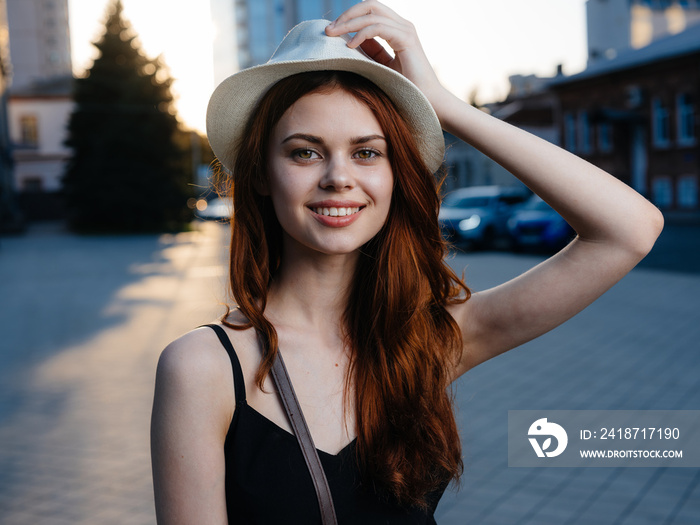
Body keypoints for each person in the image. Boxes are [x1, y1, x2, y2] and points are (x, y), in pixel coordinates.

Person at [150, 2, 663, 523]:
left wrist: (442, 104)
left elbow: (630, 231)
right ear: (261, 175)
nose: (338, 177)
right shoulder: (203, 368)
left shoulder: (427, 341)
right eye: (305, 152)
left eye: (367, 152)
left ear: (396, 176)